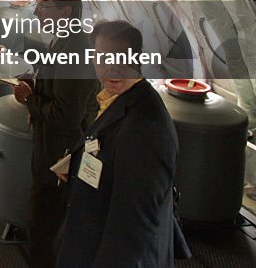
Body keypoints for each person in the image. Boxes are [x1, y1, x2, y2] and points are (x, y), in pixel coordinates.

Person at [56, 21, 189, 267]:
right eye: (102, 58)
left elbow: (133, 228)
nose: (111, 69)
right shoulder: (117, 100)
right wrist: (76, 168)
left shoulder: (146, 127)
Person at [12, 0, 99, 268]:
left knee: (45, 229)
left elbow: (67, 115)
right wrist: (36, 88)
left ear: (64, 11)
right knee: (45, 226)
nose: (36, 13)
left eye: (42, 6)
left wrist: (29, 100)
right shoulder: (63, 40)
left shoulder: (74, 49)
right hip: (52, 151)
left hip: (61, 157)